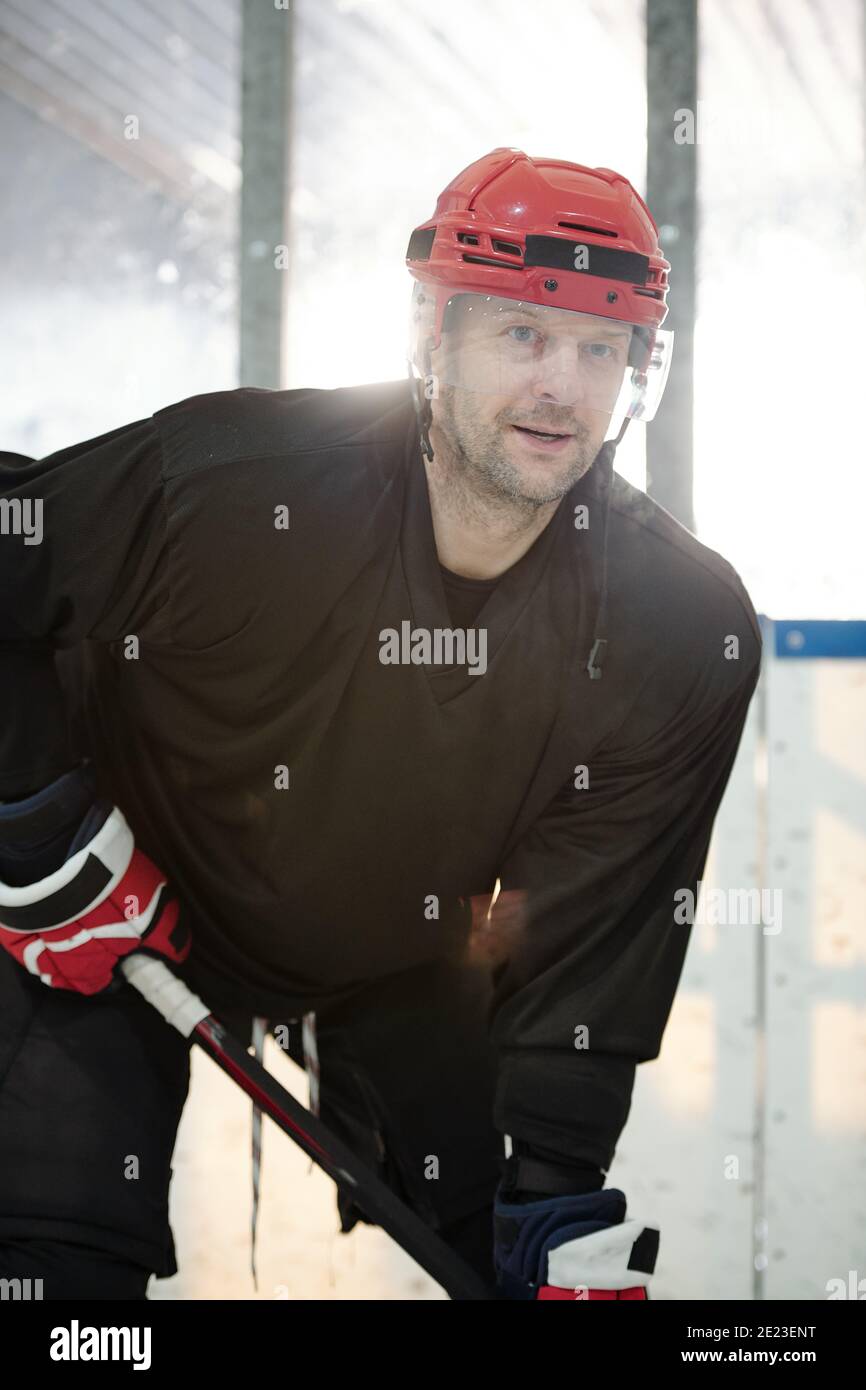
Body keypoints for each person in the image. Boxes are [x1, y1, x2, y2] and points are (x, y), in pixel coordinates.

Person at [0, 148, 761, 1300]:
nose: (562, 385)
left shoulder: (675, 626)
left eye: (599, 348)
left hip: (391, 950)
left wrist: (549, 1193)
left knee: (501, 1248)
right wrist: (33, 813)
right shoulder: (233, 484)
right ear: (430, 334)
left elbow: (586, 935)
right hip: (113, 881)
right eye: (521, 336)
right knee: (58, 1270)